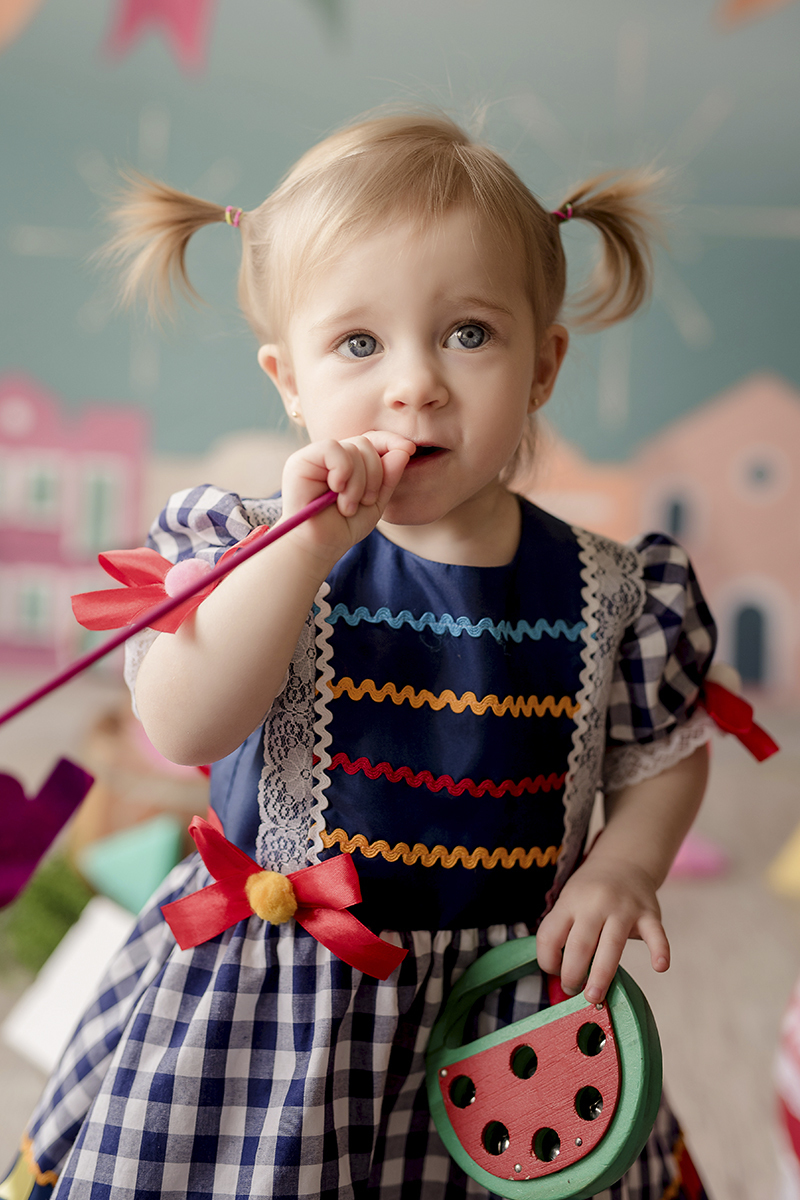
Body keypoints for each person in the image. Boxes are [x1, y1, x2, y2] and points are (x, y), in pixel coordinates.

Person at [12, 112, 717, 1200]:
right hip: (275, 1010)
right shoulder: (244, 549)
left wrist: (624, 865)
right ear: (287, 380)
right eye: (357, 344)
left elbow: (664, 751)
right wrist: (298, 558)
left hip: (504, 1012)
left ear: (542, 366)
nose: (415, 385)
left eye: (468, 334)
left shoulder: (617, 590)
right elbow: (184, 726)